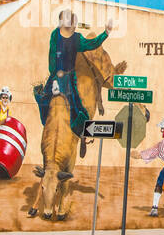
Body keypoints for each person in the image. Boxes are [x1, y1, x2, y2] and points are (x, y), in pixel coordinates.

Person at [34, 10, 114, 139]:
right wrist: (53, 76)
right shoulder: (55, 35)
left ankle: (80, 131)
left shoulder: (77, 38)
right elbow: (52, 55)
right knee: (45, 100)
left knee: (76, 105)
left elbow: (91, 44)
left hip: (69, 77)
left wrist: (106, 33)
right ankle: (48, 123)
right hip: (58, 74)